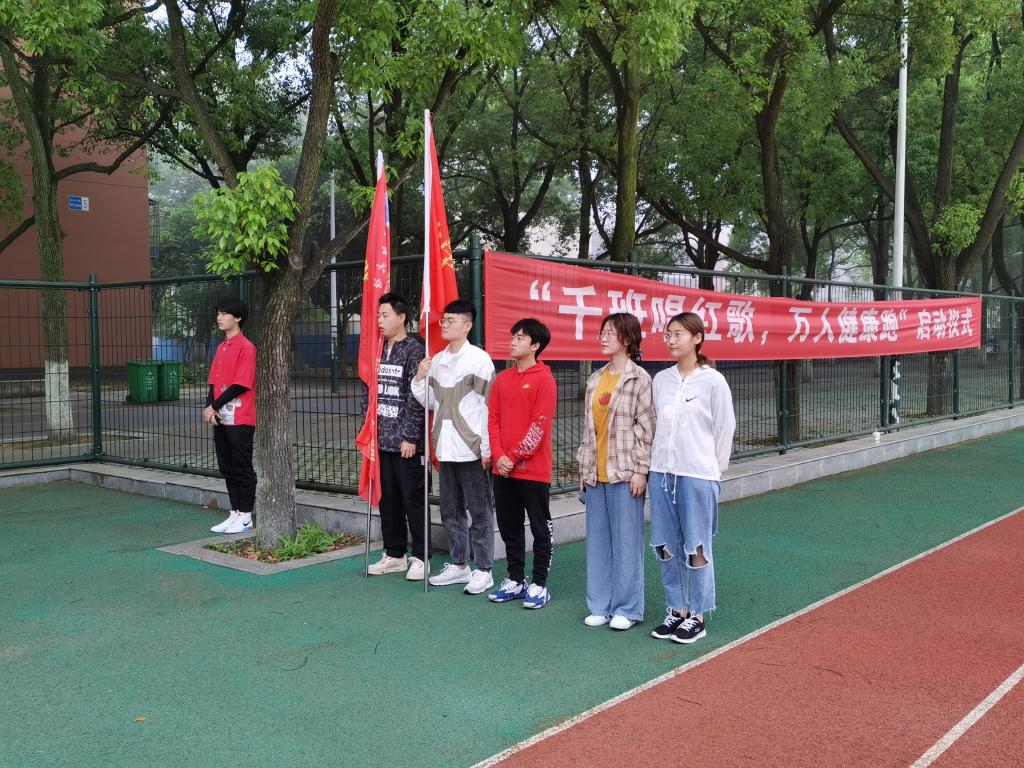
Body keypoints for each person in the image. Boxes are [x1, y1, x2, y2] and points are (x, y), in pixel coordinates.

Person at [648, 312, 735, 644]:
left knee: (696, 545)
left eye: (679, 334)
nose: (671, 340)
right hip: (662, 473)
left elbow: (725, 427)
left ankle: (697, 614)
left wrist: (713, 469)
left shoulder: (713, 381)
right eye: (668, 334)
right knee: (664, 544)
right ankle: (676, 609)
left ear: (697, 338)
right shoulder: (661, 380)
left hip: (697, 474)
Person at [412, 299, 496, 595]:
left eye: (451, 320)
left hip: (472, 449)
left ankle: (484, 569)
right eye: (443, 320)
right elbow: (431, 401)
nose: (444, 325)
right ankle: (460, 565)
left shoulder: (479, 359)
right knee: (451, 511)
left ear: (467, 325)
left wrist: (487, 448)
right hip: (446, 448)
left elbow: (489, 407)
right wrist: (419, 378)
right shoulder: (437, 360)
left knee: (480, 512)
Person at [577, 312, 655, 630]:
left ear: (627, 339)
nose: (603, 337)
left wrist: (641, 470)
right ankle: (600, 605)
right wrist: (584, 469)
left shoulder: (640, 379)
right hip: (596, 474)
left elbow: (647, 430)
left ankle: (628, 608)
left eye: (610, 332)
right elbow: (588, 431)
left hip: (625, 474)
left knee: (627, 543)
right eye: (602, 332)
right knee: (598, 543)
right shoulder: (595, 379)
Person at [487, 318, 557, 609]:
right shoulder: (502, 379)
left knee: (540, 527)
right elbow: (493, 420)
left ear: (535, 345)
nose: (513, 342)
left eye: (520, 337)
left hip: (533, 471)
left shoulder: (545, 380)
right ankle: (515, 579)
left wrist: (512, 456)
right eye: (512, 336)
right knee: (509, 526)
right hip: (502, 470)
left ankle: (539, 584)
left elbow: (538, 427)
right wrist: (498, 455)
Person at [363, 293, 429, 581]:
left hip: (405, 443)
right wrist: (368, 430)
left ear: (401, 318)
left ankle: (421, 557)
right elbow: (369, 391)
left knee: (412, 499)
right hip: (380, 441)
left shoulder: (414, 350)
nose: (380, 320)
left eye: (385, 315)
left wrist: (411, 437)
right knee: (387, 499)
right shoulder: (377, 349)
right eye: (378, 315)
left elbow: (417, 396)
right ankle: (395, 554)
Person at [206, 299, 258, 535]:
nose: (219, 317)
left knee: (241, 466)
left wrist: (213, 406)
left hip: (240, 418)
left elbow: (241, 384)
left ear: (237, 318)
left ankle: (246, 516)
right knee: (226, 466)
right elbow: (213, 382)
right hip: (221, 418)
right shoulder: (221, 347)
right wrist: (210, 408)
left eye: (224, 313)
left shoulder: (246, 348)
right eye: (218, 313)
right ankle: (235, 512)